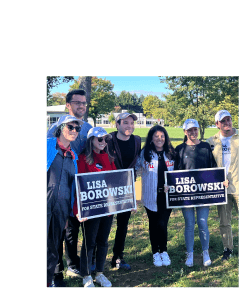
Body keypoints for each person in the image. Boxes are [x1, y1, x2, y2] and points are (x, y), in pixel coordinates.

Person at [46, 89, 93, 284]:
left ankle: (68, 266)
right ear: (68, 105)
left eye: (84, 103)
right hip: (49, 195)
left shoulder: (88, 128)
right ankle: (56, 274)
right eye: (77, 102)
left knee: (64, 234)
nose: (81, 106)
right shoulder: (49, 140)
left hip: (71, 193)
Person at [74, 127, 116, 288]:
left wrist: (126, 202)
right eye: (100, 139)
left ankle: (99, 272)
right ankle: (86, 275)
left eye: (105, 139)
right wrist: (78, 209)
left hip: (107, 208)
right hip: (90, 209)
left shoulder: (110, 158)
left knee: (103, 241)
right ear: (91, 140)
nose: (103, 143)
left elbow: (115, 182)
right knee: (89, 242)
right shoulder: (83, 159)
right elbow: (79, 186)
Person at [174, 119, 217, 268]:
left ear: (198, 130)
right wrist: (170, 185)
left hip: (204, 194)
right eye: (189, 130)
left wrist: (221, 181)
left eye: (195, 129)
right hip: (186, 194)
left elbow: (213, 168)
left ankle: (205, 251)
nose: (193, 133)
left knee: (203, 223)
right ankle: (190, 253)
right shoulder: (179, 149)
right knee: (189, 224)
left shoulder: (205, 147)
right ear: (185, 132)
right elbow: (174, 173)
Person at [46, 114, 81, 287]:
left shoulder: (73, 157)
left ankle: (47, 281)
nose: (74, 131)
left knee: (53, 247)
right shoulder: (47, 146)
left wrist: (67, 214)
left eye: (77, 128)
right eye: (70, 127)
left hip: (61, 208)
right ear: (60, 129)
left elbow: (72, 187)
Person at [135, 125, 175, 267]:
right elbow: (135, 169)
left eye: (162, 136)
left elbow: (178, 173)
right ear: (151, 138)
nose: (160, 139)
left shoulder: (170, 152)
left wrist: (172, 185)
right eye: (156, 136)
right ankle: (155, 253)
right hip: (150, 195)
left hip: (167, 196)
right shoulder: (145, 153)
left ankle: (164, 250)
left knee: (163, 224)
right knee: (153, 224)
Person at [106, 112, 141, 270]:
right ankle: (94, 258)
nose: (129, 126)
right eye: (125, 123)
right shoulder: (108, 140)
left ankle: (117, 257)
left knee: (123, 224)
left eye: (132, 123)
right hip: (107, 188)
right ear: (117, 124)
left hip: (127, 187)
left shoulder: (137, 140)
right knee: (104, 224)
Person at [207, 110, 238, 261]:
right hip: (221, 189)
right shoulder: (211, 141)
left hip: (239, 186)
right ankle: (228, 248)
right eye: (223, 121)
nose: (227, 123)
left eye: (229, 119)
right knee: (224, 222)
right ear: (217, 124)